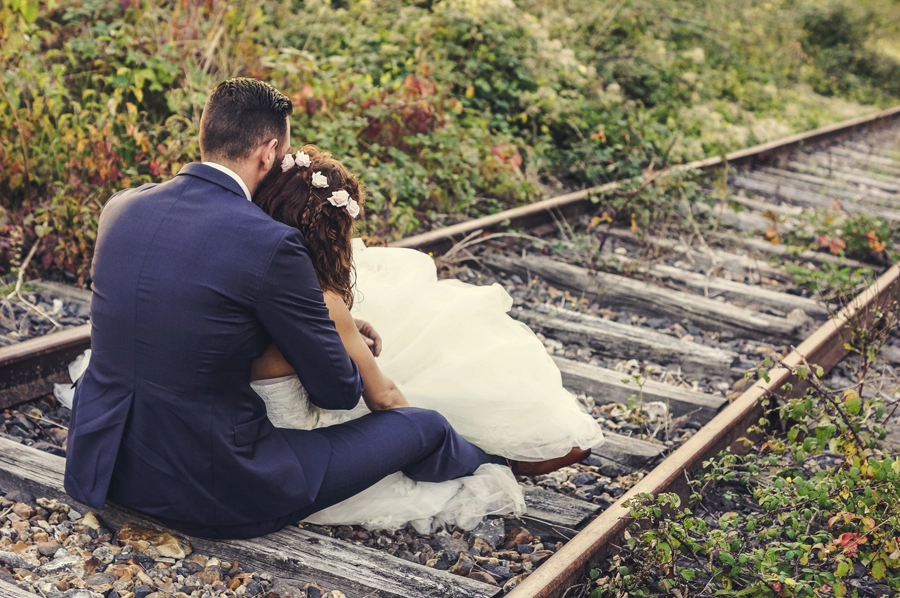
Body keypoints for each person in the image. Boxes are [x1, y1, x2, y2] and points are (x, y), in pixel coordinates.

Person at [62, 78, 592, 540]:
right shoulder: (268, 243)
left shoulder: (122, 208)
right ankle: (498, 466)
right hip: (215, 493)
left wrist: (300, 322)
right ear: (268, 153)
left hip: (108, 471)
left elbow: (186, 314)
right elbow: (336, 391)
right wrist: (328, 331)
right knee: (425, 425)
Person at [244, 146, 605, 532]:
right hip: (295, 452)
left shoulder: (243, 269)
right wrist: (414, 427)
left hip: (245, 423)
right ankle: (497, 463)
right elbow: (383, 399)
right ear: (330, 231)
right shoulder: (321, 300)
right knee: (420, 418)